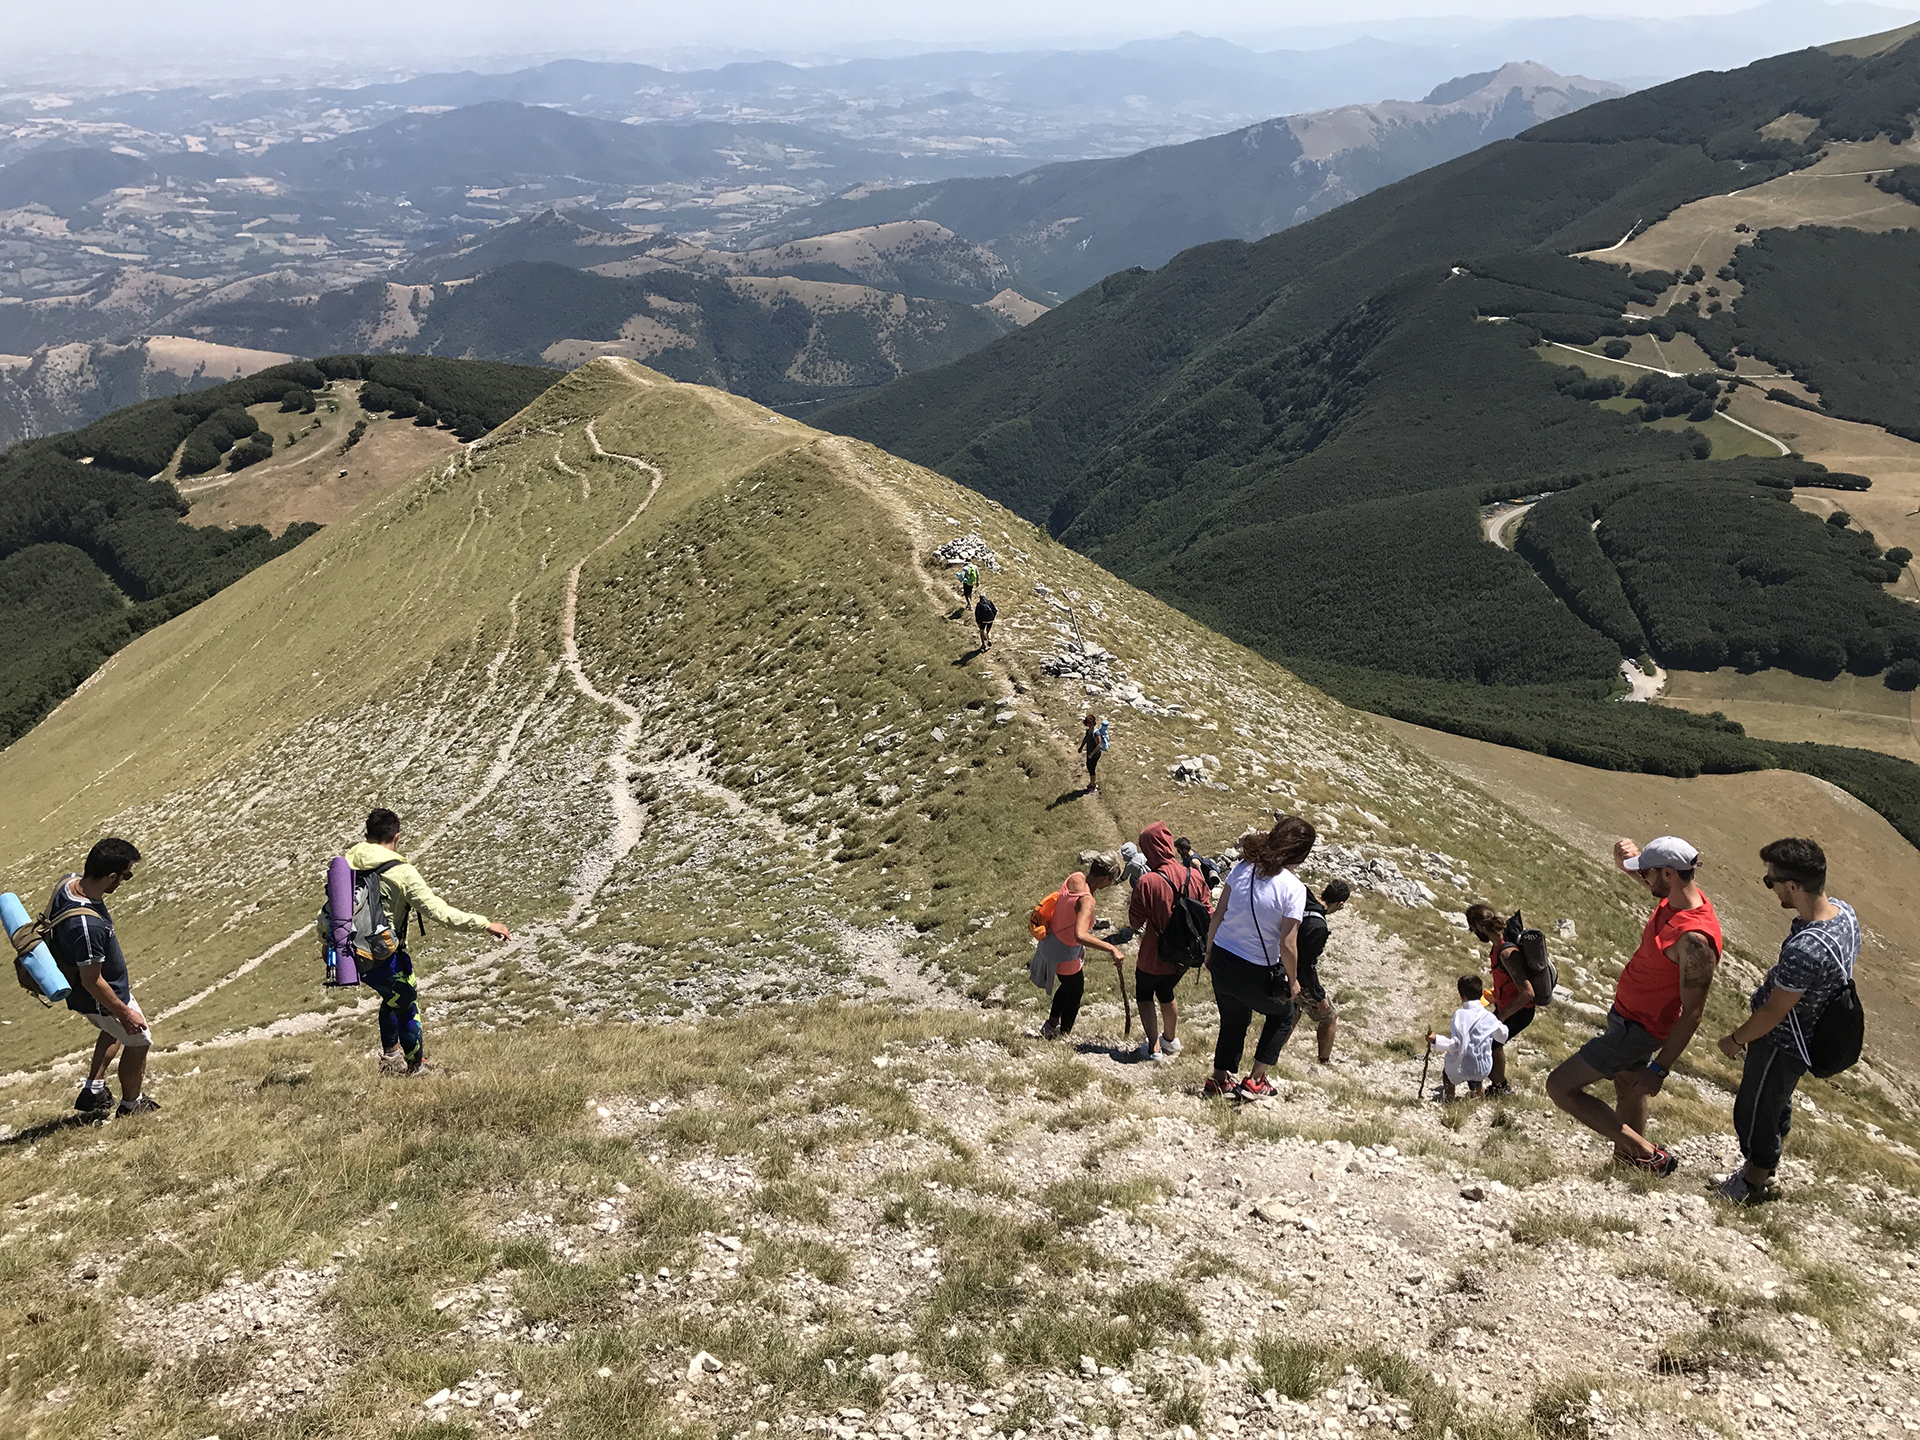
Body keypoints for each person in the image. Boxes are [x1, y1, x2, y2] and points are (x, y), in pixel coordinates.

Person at [1547, 836, 1721, 1177]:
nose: (1643, 878)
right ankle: (1629, 1165)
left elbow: (1694, 1013)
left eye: (1648, 873)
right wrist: (1625, 860)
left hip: (1639, 1030)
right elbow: (1644, 875)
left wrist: (1659, 1070)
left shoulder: (1695, 940)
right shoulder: (1680, 895)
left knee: (1560, 1086)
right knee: (1627, 1085)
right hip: (1628, 1017)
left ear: (1669, 874)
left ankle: (1647, 1153)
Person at [1715, 837, 1859, 1205]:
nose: (1769, 887)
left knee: (1755, 1108)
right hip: (1808, 1037)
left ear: (1792, 886)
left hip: (1783, 1042)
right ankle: (1766, 1165)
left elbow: (1773, 1012)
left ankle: (1753, 1182)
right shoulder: (1845, 915)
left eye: (1771, 881)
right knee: (1775, 1102)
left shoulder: (1805, 950)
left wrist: (1736, 1039)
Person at [346, 808, 510, 1074]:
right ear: (396, 837)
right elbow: (439, 912)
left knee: (391, 998)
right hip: (383, 952)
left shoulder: (347, 866)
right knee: (407, 1004)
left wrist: (325, 941)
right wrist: (485, 924)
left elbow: (328, 910)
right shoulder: (401, 872)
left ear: (366, 835)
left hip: (349, 951)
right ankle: (416, 1068)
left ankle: (391, 1058)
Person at [1202, 816, 1317, 1100]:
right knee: (1283, 1014)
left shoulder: (1242, 867)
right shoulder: (1294, 888)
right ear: (1300, 853)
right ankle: (1256, 1079)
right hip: (1255, 968)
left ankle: (1219, 1079)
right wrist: (1293, 981)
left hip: (1222, 958)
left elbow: (1218, 913)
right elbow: (1288, 944)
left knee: (1233, 1019)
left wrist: (1208, 950)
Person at [46, 838, 157, 1119]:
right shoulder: (87, 926)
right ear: (111, 877)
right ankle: (132, 1105)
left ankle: (93, 1089)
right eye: (125, 876)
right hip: (100, 996)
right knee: (139, 1040)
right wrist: (124, 1012)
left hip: (96, 994)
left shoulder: (68, 883)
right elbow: (91, 980)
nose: (124, 881)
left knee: (113, 1030)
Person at [1127, 822, 1213, 1062]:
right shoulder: (1194, 874)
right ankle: (1170, 1040)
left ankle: (1154, 1048)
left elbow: (1135, 922)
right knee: (1166, 990)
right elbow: (1208, 912)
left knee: (1145, 994)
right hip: (1185, 953)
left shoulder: (1147, 881)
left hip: (1154, 951)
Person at [1029, 853, 1127, 1039]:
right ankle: (1064, 1035)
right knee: (1075, 991)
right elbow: (1080, 935)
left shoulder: (1076, 877)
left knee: (1068, 987)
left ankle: (1051, 1025)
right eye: (1111, 880)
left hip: (1050, 942)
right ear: (1106, 878)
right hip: (1065, 952)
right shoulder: (1087, 901)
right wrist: (1112, 948)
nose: (1110, 885)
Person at [1465, 903, 1536, 1096]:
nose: (1473, 932)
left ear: (1480, 926)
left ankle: (1501, 1089)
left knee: (1491, 1043)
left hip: (1520, 1011)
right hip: (1508, 1007)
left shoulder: (1506, 953)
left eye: (1473, 928)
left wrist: (1502, 1015)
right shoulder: (1498, 948)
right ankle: (1497, 1086)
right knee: (1490, 1042)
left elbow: (1528, 993)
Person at [1429, 973, 1511, 1100]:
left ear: (1462, 997)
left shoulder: (1460, 1015)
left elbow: (1455, 1044)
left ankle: (1449, 1100)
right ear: (1481, 994)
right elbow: (1502, 1034)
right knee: (1476, 1078)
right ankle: (1480, 1097)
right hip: (1482, 1069)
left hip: (1461, 1067)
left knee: (1447, 1075)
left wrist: (1436, 1040)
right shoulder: (1489, 1017)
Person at [1298, 879, 1351, 1064]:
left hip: (1280, 966)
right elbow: (1307, 966)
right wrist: (1318, 996)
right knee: (1330, 1015)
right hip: (1298, 978)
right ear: (1340, 904)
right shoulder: (1319, 926)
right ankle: (1324, 1061)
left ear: (1323, 890)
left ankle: (1274, 1052)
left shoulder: (1303, 898)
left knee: (1292, 1011)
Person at [1079, 713, 1105, 794]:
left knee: (1091, 769)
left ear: (1093, 723)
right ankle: (1092, 783)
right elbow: (1085, 739)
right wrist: (1081, 747)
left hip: (1095, 755)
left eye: (1090, 723)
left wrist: (1092, 754)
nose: (1089, 725)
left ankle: (1092, 785)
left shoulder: (1096, 733)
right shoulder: (1088, 731)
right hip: (1089, 753)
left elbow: (1099, 744)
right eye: (1087, 723)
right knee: (1089, 767)